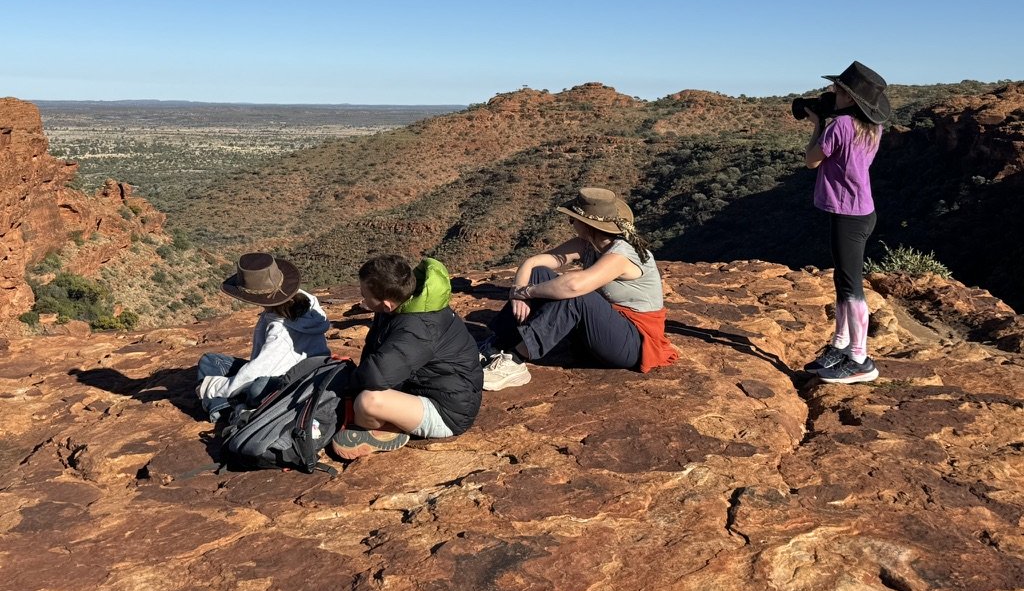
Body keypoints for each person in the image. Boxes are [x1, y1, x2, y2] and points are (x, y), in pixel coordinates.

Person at [481, 187, 677, 391]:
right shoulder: (590, 244)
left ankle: (516, 361)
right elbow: (533, 263)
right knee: (540, 274)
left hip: (632, 343)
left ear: (587, 224)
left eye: (573, 219)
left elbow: (574, 286)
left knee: (576, 295)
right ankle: (498, 345)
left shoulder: (622, 255)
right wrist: (518, 291)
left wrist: (528, 292)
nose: (571, 224)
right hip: (601, 331)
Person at [330, 255, 483, 460]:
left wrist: (348, 386)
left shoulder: (417, 329)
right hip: (427, 388)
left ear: (386, 304)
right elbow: (377, 353)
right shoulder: (405, 304)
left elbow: (377, 376)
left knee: (366, 403)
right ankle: (395, 417)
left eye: (364, 294)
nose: (362, 299)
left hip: (447, 412)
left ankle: (387, 431)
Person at [801, 61, 890, 384]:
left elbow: (811, 161)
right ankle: (840, 345)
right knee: (843, 281)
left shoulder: (839, 127)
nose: (832, 92)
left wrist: (817, 124)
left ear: (850, 98)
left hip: (848, 214)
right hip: (861, 212)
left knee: (851, 287)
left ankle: (859, 358)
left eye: (838, 89)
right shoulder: (871, 127)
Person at [195, 252, 331, 421]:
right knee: (210, 361)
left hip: (286, 382)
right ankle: (231, 404)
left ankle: (229, 409)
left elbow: (256, 372)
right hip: (301, 371)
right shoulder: (305, 301)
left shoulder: (281, 331)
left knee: (255, 389)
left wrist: (210, 388)